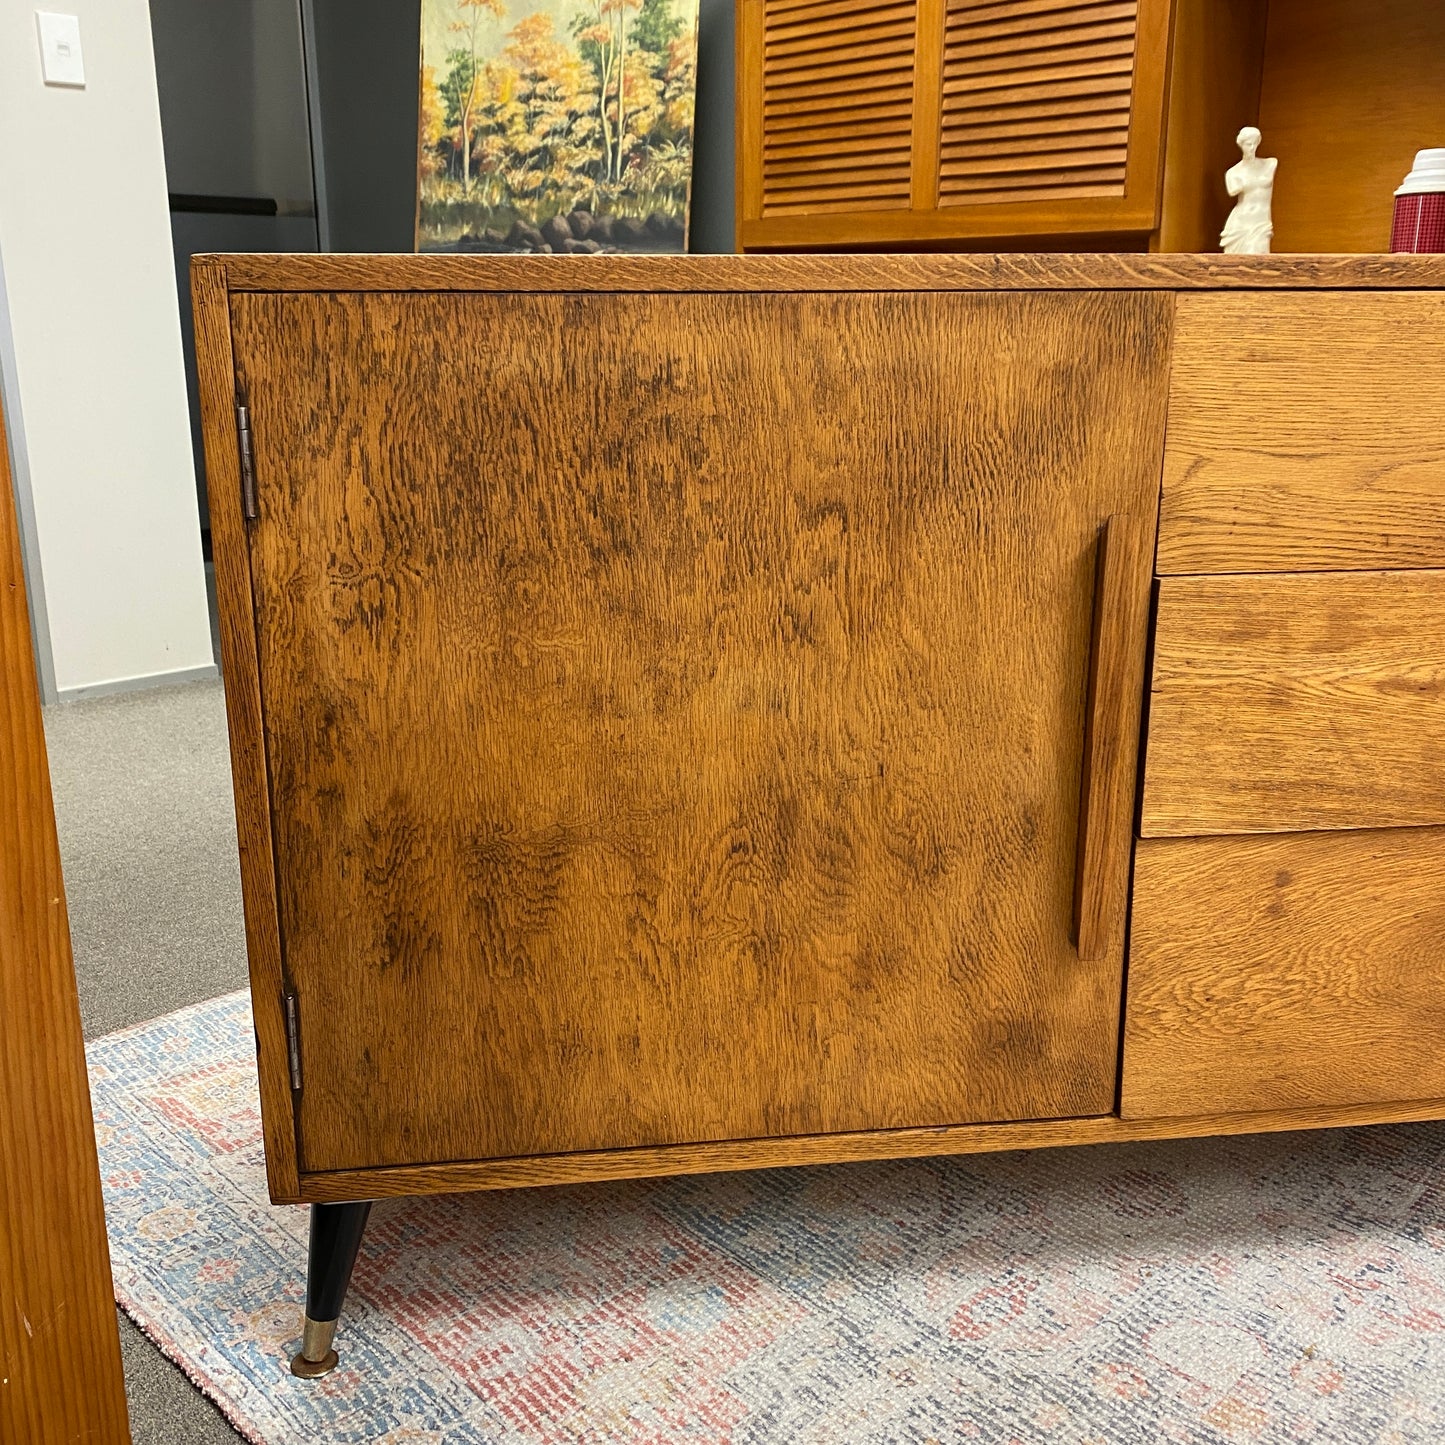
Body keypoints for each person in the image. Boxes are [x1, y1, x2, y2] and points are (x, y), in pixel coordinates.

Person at [1221, 126, 1277, 255]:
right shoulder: (1233, 172)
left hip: (1262, 222)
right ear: (1241, 144)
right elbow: (1232, 190)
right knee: (1238, 267)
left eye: (1254, 144)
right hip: (1240, 223)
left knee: (1259, 262)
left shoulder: (1270, 164)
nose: (1251, 148)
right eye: (1248, 144)